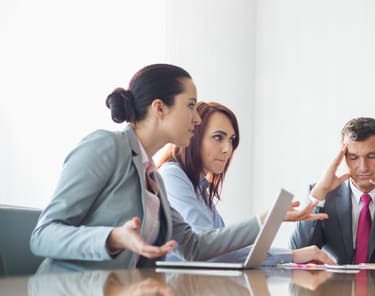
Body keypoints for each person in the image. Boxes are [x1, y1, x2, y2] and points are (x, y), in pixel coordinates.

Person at [30, 64, 331, 272]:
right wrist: (112, 237)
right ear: (159, 108)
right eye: (190, 105)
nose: (197, 119)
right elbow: (43, 235)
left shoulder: (154, 178)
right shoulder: (106, 146)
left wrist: (267, 219)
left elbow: (194, 247)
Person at [156, 101, 333, 266]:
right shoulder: (172, 175)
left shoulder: (200, 188)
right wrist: (290, 253)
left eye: (231, 140)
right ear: (193, 136)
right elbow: (207, 250)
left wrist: (292, 253)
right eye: (218, 137)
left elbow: (222, 250)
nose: (227, 149)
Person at [290, 117, 375, 264]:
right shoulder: (323, 193)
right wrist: (319, 196)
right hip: (336, 284)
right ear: (343, 157)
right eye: (353, 157)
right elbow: (298, 257)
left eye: (371, 156)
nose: (363, 167)